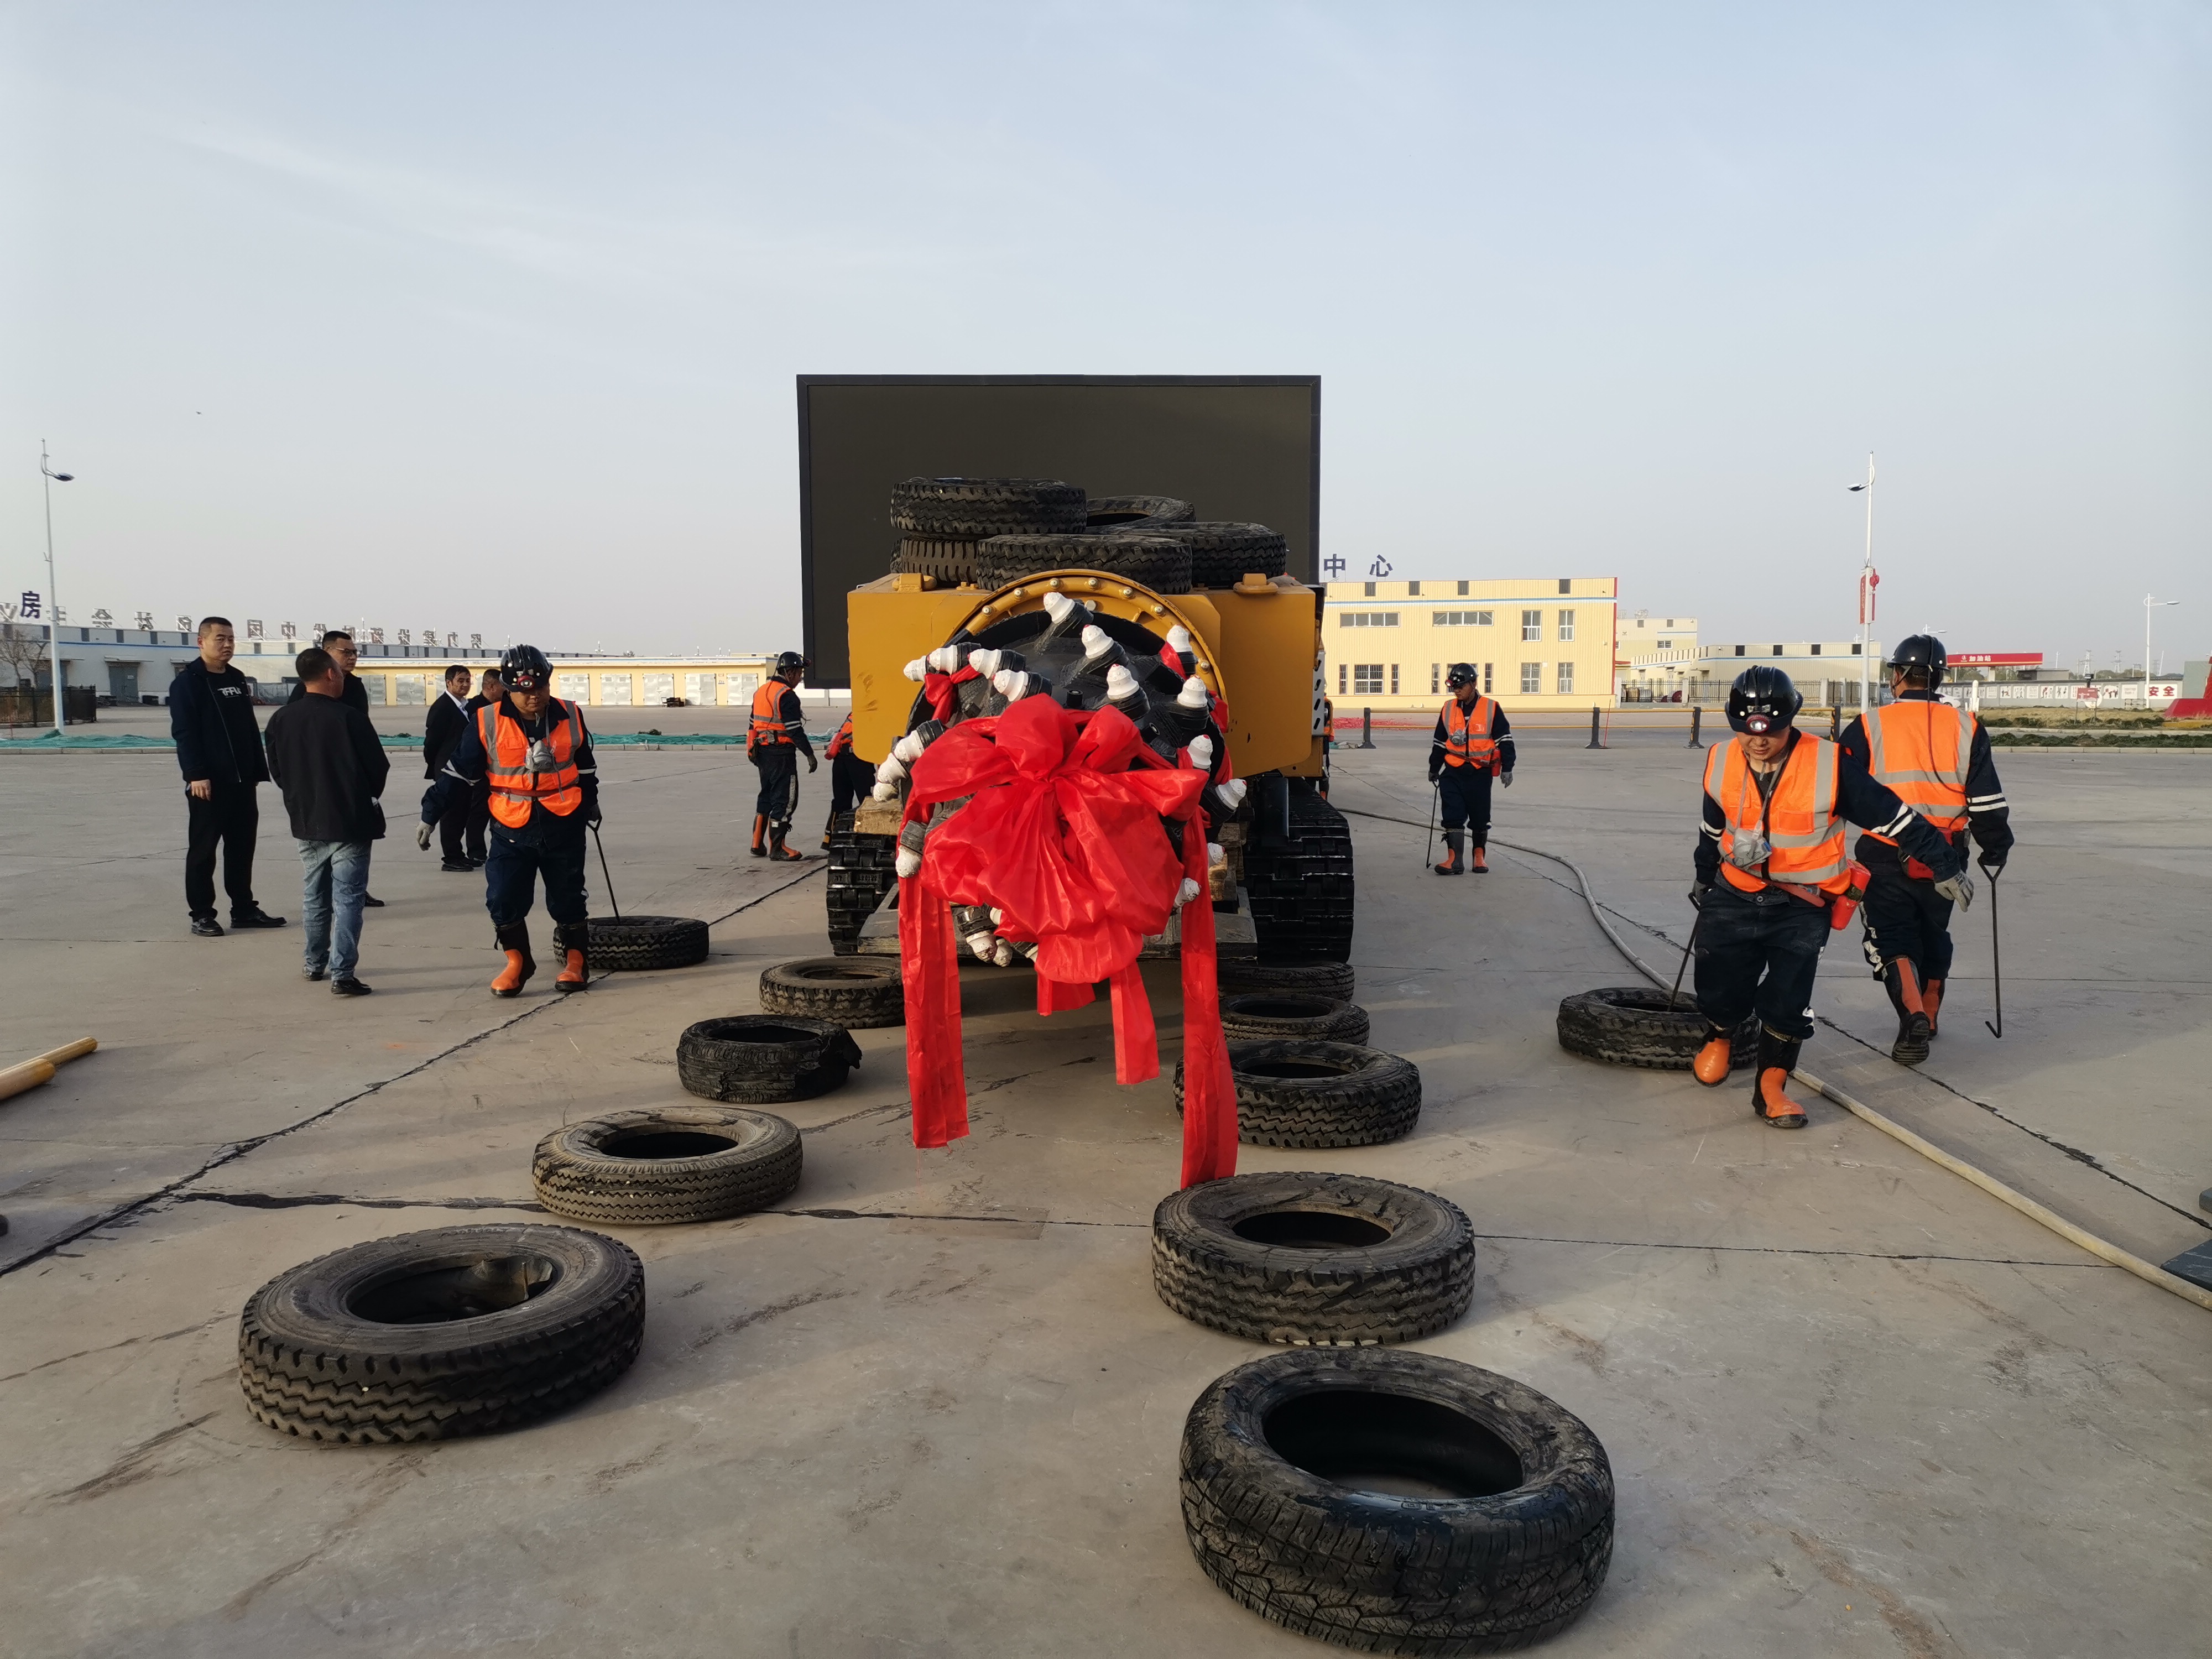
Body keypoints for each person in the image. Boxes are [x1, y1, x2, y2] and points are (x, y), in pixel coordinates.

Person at [1689, 667, 1969, 1129]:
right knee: (1720, 984)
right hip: (1734, 893)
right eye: (1746, 732)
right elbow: (1712, 827)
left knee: (1788, 998)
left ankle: (1771, 1087)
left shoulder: (1830, 764)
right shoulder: (1720, 757)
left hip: (1804, 904)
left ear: (1791, 720)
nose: (1758, 743)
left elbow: (1895, 818)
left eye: (1771, 732)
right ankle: (1720, 1034)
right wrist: (1703, 874)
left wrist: (1944, 863)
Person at [1839, 635, 2013, 1064]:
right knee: (1933, 932)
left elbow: (1836, 789)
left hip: (1883, 851)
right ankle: (1931, 1008)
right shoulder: (1968, 727)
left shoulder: (1867, 726)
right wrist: (1995, 849)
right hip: (1947, 855)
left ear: (1897, 675)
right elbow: (1987, 803)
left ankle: (1913, 1013)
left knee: (1891, 937)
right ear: (1940, 679)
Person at [418, 644, 598, 996]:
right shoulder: (486, 720)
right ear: (508, 689)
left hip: (563, 821)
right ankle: (518, 962)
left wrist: (591, 804)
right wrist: (431, 814)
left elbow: (586, 767)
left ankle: (576, 962)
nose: (534, 697)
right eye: (524, 691)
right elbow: (458, 774)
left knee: (568, 898)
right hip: (510, 824)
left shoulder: (571, 715)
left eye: (540, 688)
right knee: (502, 898)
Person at [265, 646, 390, 995]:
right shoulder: (350, 717)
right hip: (350, 820)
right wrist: (365, 797)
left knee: (314, 894)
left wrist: (300, 796)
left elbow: (278, 770)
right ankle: (343, 972)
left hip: (306, 819)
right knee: (348, 898)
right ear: (330, 674)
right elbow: (377, 766)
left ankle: (313, 962)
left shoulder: (281, 720)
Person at [169, 615, 285, 937]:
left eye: (231, 639)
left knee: (241, 848)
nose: (227, 645)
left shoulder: (235, 678)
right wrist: (195, 774)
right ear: (201, 642)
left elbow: (248, 729)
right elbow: (185, 732)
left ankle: (244, 909)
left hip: (242, 782)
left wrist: (257, 772)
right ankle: (202, 914)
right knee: (204, 851)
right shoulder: (188, 683)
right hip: (208, 784)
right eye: (220, 639)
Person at [289, 630, 385, 906]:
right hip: (316, 786)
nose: (353, 657)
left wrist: (367, 788)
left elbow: (366, 740)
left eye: (355, 652)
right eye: (347, 652)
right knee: (321, 850)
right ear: (327, 653)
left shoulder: (354, 687)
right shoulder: (304, 692)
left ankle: (355, 888)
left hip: (350, 784)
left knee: (352, 851)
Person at [1426, 663, 1515, 874]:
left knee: (1480, 816)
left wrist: (1508, 767)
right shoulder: (1448, 708)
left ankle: (1479, 857)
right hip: (1453, 771)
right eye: (1453, 687)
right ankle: (1454, 860)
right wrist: (1434, 767)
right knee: (1452, 814)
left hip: (1480, 772)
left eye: (1461, 686)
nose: (1456, 690)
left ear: (1474, 684)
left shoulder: (1491, 708)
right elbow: (1439, 741)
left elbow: (1505, 739)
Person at [748, 650, 817, 862]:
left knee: (766, 795)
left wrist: (751, 748)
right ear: (791, 672)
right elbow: (794, 729)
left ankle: (757, 844)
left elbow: (752, 723)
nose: (800, 678)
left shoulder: (762, 691)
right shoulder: (787, 696)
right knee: (785, 799)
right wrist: (809, 754)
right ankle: (778, 849)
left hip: (762, 751)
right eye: (800, 673)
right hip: (781, 753)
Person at [423, 664, 476, 872]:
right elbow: (431, 743)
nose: (465, 685)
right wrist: (437, 766)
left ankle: (458, 854)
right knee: (451, 814)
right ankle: (451, 858)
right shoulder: (442, 707)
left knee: (463, 812)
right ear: (449, 683)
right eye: (460, 681)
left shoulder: (466, 706)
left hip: (463, 769)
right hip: (447, 769)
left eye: (467, 681)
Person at [461, 667, 504, 865]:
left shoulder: (504, 709)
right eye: (504, 687)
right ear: (491, 686)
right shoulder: (474, 709)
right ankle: (476, 851)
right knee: (478, 813)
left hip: (500, 770)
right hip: (480, 771)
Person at [820, 709, 875, 848]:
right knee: (867, 800)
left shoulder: (857, 710)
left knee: (841, 801)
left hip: (842, 757)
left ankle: (831, 838)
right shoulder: (875, 712)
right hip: (858, 759)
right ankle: (869, 839)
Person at [1320, 695, 1335, 799]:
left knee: (1322, 771)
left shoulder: (1326, 704)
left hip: (1319, 740)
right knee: (1323, 770)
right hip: (1323, 739)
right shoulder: (1327, 704)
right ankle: (1322, 798)